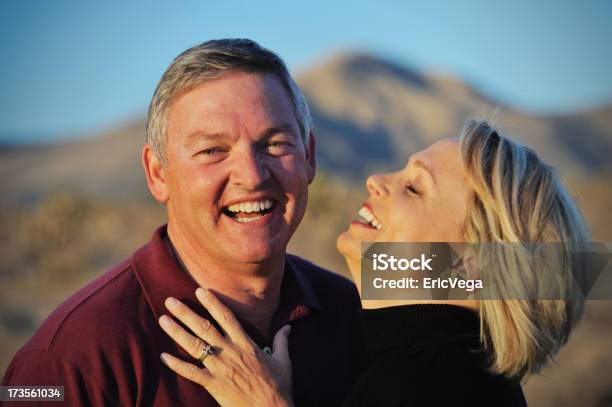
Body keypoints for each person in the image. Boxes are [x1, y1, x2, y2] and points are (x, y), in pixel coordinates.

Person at [1, 39, 363, 406]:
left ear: (309, 157)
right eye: (212, 151)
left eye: (275, 144)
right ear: (158, 174)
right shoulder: (68, 360)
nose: (252, 176)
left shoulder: (352, 314)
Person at [157, 120, 589, 406]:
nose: (377, 181)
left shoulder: (424, 385)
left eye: (416, 188)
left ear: (468, 266)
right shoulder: (452, 371)